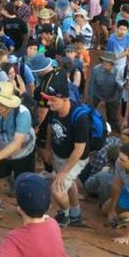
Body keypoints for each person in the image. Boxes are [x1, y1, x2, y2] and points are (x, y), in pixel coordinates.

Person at [42, 72, 90, 228]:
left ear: (65, 99)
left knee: (57, 189)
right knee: (68, 184)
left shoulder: (79, 117)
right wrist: (48, 148)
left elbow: (79, 150)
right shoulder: (54, 109)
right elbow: (50, 127)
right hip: (59, 154)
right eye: (48, 100)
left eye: (53, 100)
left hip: (76, 158)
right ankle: (75, 215)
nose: (49, 104)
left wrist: (63, 172)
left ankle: (65, 214)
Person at [87, 51, 122, 132]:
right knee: (89, 109)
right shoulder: (96, 70)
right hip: (98, 94)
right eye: (104, 61)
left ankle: (112, 128)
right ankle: (89, 124)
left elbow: (119, 89)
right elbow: (92, 86)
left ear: (113, 64)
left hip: (112, 97)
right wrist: (90, 99)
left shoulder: (118, 72)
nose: (105, 64)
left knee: (112, 115)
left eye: (108, 62)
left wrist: (118, 101)